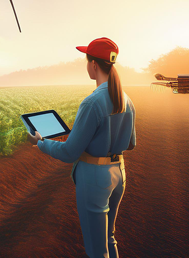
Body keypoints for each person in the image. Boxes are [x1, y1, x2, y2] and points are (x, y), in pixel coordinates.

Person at [27, 37, 136, 258]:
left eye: (87, 60)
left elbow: (69, 153)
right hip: (119, 173)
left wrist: (40, 143)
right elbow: (131, 143)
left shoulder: (92, 102)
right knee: (109, 238)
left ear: (94, 65)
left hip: (95, 178)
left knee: (97, 250)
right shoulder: (126, 99)